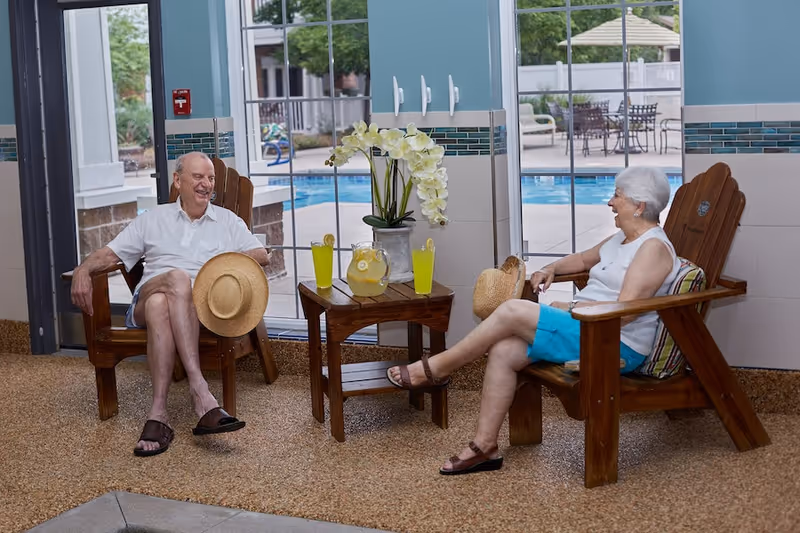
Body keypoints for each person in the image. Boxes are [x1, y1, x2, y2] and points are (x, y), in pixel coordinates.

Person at [387, 166, 681, 475]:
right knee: (505, 350)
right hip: (586, 327)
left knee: (513, 311)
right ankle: (485, 446)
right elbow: (582, 259)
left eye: (617, 196)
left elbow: (628, 309)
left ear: (640, 205)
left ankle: (435, 369)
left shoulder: (653, 249)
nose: (610, 202)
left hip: (615, 342)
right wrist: (552, 268)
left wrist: (571, 305)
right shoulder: (623, 239)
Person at [70, 152, 270, 457]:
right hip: (146, 297)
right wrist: (83, 269)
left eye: (211, 178)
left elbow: (261, 255)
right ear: (178, 180)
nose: (206, 185)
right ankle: (200, 391)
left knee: (161, 305)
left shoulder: (227, 221)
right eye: (198, 177)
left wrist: (223, 266)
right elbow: (110, 255)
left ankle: (158, 414)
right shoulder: (153, 218)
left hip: (198, 309)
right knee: (175, 280)